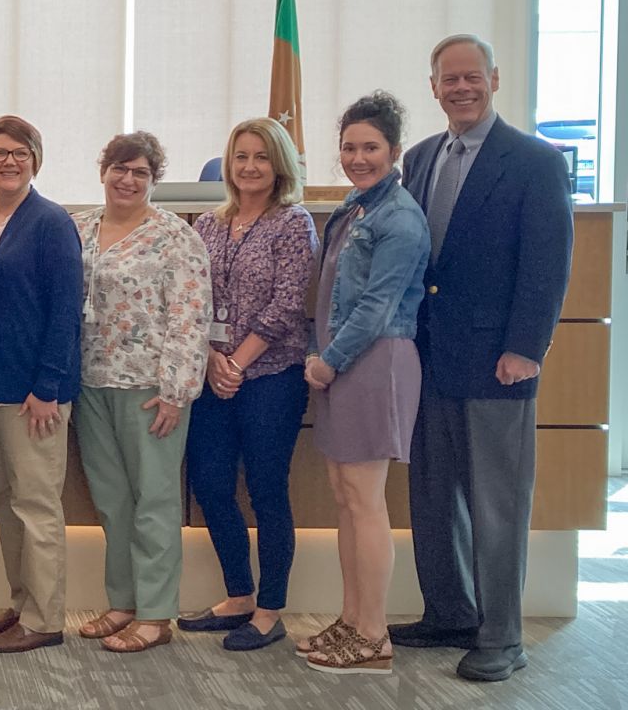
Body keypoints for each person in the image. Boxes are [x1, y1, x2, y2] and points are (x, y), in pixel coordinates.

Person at [391, 35, 573, 682]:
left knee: (497, 507)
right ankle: (449, 613)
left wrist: (527, 347)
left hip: (500, 363)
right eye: (449, 79)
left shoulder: (534, 161)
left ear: (494, 78)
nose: (461, 87)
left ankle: (503, 636)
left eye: (472, 76)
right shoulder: (416, 159)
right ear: (433, 86)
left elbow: (547, 265)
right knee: (433, 497)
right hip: (429, 358)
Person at [301, 92, 430, 675]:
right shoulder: (357, 206)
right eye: (349, 147)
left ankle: (374, 635)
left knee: (366, 500)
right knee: (345, 497)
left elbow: (377, 305)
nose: (358, 157)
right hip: (340, 362)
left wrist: (330, 361)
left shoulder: (399, 216)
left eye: (370, 147)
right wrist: (322, 355)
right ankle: (351, 620)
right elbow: (330, 296)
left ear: (394, 151)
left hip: (374, 362)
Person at [178, 118, 315, 651]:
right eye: (241, 156)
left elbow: (288, 303)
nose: (250, 166)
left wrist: (237, 361)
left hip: (271, 377)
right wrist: (214, 358)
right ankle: (238, 593)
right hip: (213, 374)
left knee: (266, 491)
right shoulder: (209, 225)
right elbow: (193, 298)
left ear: (278, 164)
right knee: (210, 483)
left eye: (261, 156)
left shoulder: (293, 223)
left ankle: (270, 608)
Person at [71, 131, 209, 654]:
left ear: (154, 180)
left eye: (140, 173)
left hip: (151, 388)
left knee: (153, 499)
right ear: (103, 171)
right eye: (119, 169)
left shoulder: (176, 238)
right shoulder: (78, 228)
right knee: (111, 500)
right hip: (89, 381)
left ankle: (155, 614)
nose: (127, 180)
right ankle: (123, 603)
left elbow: (189, 318)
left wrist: (176, 390)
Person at [0, 116, 81, 655]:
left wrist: (48, 385)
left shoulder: (51, 222)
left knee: (36, 504)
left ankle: (46, 618)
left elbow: (65, 312)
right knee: (6, 502)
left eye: (20, 152)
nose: (8, 161)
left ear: (36, 158)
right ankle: (22, 601)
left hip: (31, 394)